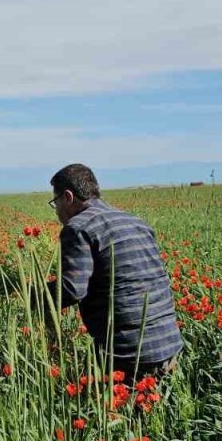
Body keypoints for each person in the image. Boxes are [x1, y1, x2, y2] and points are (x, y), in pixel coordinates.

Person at [48, 163, 184, 380]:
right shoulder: (135, 221)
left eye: (55, 202)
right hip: (169, 344)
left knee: (109, 409)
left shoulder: (78, 227)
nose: (56, 210)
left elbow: (71, 289)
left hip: (127, 353)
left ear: (68, 197)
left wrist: (34, 294)